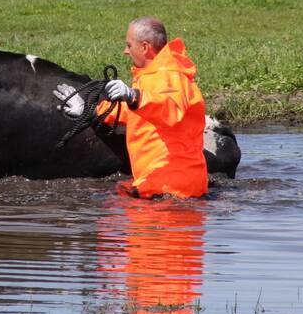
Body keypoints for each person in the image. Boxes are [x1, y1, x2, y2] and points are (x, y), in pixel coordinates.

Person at [55, 16, 208, 199]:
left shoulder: (170, 76)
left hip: (173, 189)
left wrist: (133, 96)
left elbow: (170, 109)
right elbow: (136, 113)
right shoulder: (152, 76)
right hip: (161, 184)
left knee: (107, 215)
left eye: (129, 45)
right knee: (109, 214)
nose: (125, 51)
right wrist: (91, 111)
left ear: (145, 47)